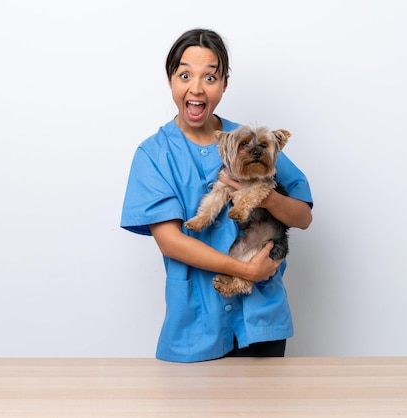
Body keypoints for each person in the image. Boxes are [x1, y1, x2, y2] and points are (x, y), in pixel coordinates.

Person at [120, 28, 313, 363]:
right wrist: (248, 272)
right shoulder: (153, 154)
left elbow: (303, 217)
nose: (196, 88)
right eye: (185, 75)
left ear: (224, 83)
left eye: (210, 76)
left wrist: (263, 197)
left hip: (260, 320)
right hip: (195, 324)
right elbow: (170, 241)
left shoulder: (252, 141)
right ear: (170, 80)